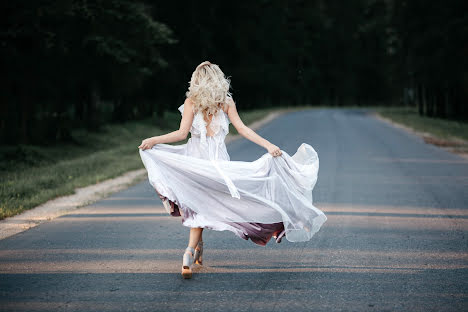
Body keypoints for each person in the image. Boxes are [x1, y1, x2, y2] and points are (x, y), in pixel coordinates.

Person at [138, 61, 327, 279]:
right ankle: (194, 250)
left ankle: (190, 252)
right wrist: (268, 145)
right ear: (219, 79)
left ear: (197, 81)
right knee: (205, 205)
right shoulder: (225, 103)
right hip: (219, 166)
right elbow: (243, 129)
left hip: (195, 163)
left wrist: (154, 140)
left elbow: (181, 134)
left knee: (199, 205)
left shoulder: (191, 102)